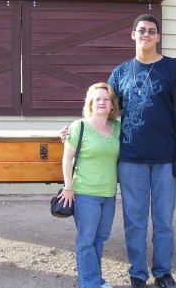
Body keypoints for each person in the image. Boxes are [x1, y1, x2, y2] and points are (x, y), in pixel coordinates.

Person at [62, 14, 176, 288]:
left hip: (166, 159)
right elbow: (103, 108)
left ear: (158, 37)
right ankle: (138, 273)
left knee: (164, 222)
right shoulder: (119, 73)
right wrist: (77, 129)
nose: (146, 35)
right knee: (135, 222)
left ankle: (163, 273)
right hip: (131, 161)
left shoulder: (174, 69)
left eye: (152, 31)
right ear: (133, 35)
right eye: (141, 31)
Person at [59, 82, 121, 288]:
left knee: (100, 238)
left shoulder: (118, 128)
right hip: (85, 193)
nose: (102, 102)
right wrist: (68, 187)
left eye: (106, 99)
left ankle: (96, 281)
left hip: (109, 194)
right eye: (97, 99)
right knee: (86, 240)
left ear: (112, 104)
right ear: (91, 104)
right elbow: (67, 158)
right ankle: (91, 284)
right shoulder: (80, 126)